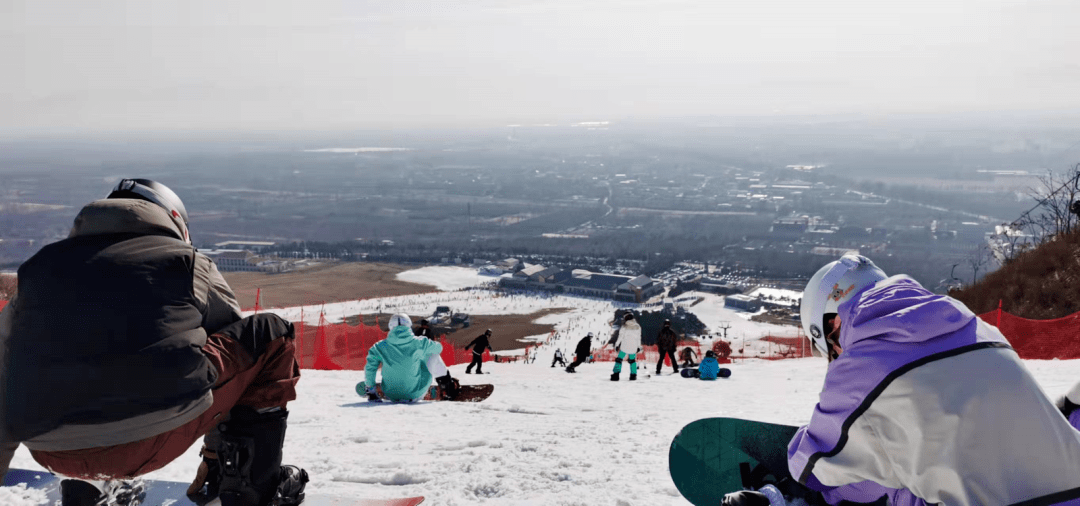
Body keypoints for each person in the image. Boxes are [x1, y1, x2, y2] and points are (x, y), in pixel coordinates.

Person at [0, 179, 307, 506]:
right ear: (173, 219)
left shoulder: (37, 271)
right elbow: (234, 360)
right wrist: (217, 455)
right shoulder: (187, 262)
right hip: (153, 440)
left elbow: (6, 373)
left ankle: (88, 486)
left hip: (52, 452)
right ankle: (245, 487)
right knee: (268, 335)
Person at [724, 254, 1080, 506]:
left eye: (830, 351)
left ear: (831, 325)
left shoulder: (860, 364)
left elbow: (818, 468)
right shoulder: (979, 326)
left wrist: (797, 483)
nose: (835, 359)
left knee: (892, 482)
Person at [364, 313, 459, 402]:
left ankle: (373, 388)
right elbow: (439, 348)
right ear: (409, 325)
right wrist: (421, 352)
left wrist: (371, 390)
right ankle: (446, 386)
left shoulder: (379, 346)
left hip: (390, 394)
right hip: (415, 394)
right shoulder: (420, 343)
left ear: (391, 327)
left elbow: (370, 368)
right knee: (431, 355)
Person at [610, 313, 642, 381]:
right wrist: (639, 346)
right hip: (633, 347)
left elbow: (620, 337)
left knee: (619, 359)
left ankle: (616, 375)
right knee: (632, 361)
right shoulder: (638, 326)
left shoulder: (624, 326)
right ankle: (633, 375)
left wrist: (617, 345)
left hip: (624, 347)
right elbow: (639, 338)